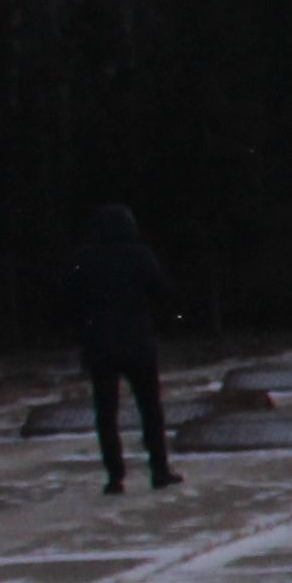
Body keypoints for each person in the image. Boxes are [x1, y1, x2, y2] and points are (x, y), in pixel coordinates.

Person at [64, 204, 180, 492]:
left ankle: (115, 476)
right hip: (138, 341)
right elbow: (162, 291)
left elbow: (69, 299)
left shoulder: (85, 259)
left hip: (100, 343)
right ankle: (159, 469)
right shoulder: (140, 256)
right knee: (150, 408)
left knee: (106, 413)